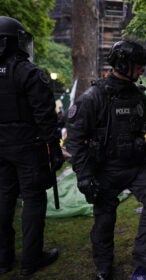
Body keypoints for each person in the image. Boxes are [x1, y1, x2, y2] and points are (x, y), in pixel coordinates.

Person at [66, 40, 146, 280]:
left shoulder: (139, 98)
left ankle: (143, 253)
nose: (142, 69)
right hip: (106, 169)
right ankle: (103, 265)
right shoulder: (93, 97)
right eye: (138, 65)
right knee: (104, 219)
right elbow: (75, 139)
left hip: (136, 166)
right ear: (123, 63)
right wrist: (85, 176)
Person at [0, 16, 64, 277]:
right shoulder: (29, 72)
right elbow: (45, 117)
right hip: (28, 147)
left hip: (1, 148)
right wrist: (55, 149)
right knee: (34, 201)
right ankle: (31, 258)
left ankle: (3, 260)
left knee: (3, 200)